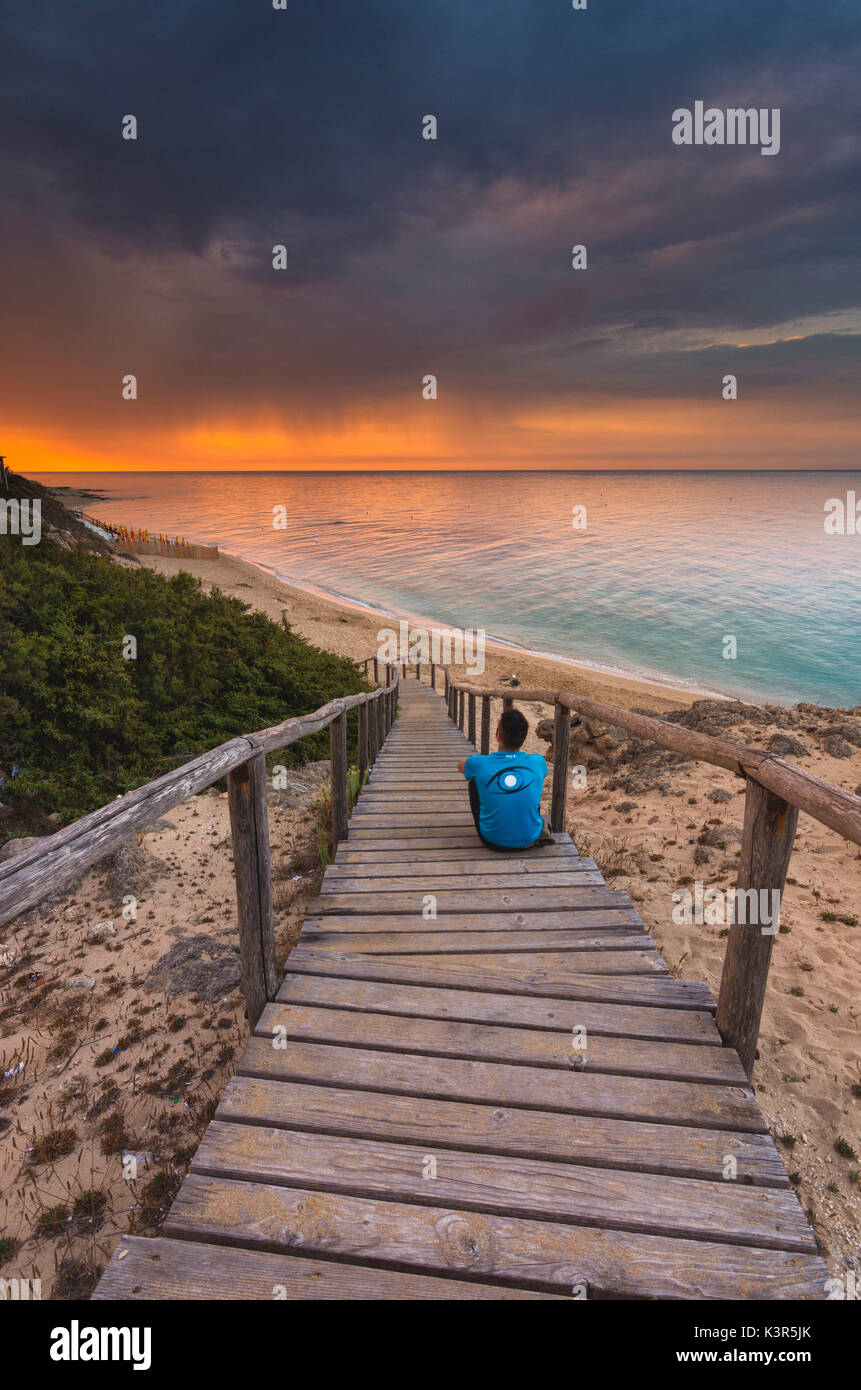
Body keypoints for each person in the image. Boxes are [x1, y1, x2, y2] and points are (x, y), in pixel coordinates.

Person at [458, 708, 553, 851]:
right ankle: (532, 825)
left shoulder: (479, 763)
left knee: (474, 781)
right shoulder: (538, 761)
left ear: (498, 735)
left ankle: (497, 824)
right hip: (530, 838)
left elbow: (461, 766)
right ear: (524, 737)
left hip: (493, 841)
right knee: (533, 780)